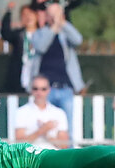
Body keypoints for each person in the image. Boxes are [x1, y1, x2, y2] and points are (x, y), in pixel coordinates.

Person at [31, 1, 84, 137]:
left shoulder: (65, 34)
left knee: (67, 128)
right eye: (51, 15)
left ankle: (69, 157)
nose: (54, 17)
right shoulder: (39, 34)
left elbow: (78, 40)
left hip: (65, 88)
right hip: (45, 89)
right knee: (44, 125)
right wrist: (53, 28)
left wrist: (63, 23)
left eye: (56, 14)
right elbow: (41, 46)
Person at [14, 74, 70, 150]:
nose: (39, 92)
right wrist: (42, 130)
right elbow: (19, 144)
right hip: (30, 157)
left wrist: (46, 133)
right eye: (35, 89)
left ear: (49, 90)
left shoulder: (59, 113)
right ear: (31, 90)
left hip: (52, 156)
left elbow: (64, 146)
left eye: (43, 89)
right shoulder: (21, 112)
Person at [0, 2, 40, 93]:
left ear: (36, 16)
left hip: (37, 73)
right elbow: (6, 33)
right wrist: (9, 12)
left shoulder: (43, 34)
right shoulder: (19, 34)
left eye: (31, 14)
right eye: (24, 15)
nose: (28, 17)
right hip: (20, 75)